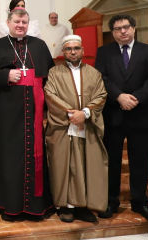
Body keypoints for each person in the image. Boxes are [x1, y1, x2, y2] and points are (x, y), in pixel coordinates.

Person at [0, 7, 54, 221]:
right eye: (17, 22)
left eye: (24, 22)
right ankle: (9, 205)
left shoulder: (39, 45)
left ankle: (34, 205)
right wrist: (5, 75)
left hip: (33, 111)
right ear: (8, 22)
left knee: (33, 154)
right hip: (7, 111)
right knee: (8, 156)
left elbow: (50, 75)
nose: (21, 26)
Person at [95, 14, 148, 222]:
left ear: (134, 28)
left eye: (126, 27)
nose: (122, 31)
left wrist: (136, 98)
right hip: (113, 115)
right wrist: (118, 96)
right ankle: (110, 201)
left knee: (141, 161)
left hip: (141, 114)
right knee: (112, 161)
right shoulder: (104, 52)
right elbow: (101, 78)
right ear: (113, 32)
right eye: (117, 29)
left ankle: (140, 202)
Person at [44, 34, 108, 223]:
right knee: (66, 166)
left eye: (76, 48)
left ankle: (83, 207)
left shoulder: (93, 73)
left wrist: (86, 113)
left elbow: (101, 94)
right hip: (64, 127)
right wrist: (72, 115)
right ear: (63, 52)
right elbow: (50, 94)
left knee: (86, 165)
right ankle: (66, 206)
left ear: (83, 50)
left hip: (87, 126)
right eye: (68, 49)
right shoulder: (55, 73)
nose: (73, 52)